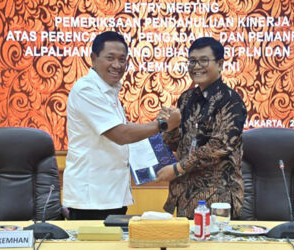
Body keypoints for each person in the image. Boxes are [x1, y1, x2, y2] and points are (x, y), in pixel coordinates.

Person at [63, 31, 180, 220]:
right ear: (93, 59)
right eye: (110, 58)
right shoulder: (87, 89)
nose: (117, 65)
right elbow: (121, 135)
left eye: (122, 59)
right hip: (92, 199)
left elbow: (126, 131)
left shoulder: (109, 91)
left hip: (113, 195)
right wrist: (162, 125)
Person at [156, 37, 247, 219]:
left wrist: (177, 169)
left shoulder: (231, 101)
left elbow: (219, 146)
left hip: (217, 196)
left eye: (204, 60)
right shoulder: (186, 98)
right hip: (185, 194)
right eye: (192, 61)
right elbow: (176, 144)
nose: (196, 66)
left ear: (220, 64)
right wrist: (169, 127)